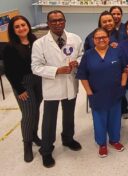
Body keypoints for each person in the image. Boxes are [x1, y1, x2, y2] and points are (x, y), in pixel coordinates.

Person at [31, 10, 83, 168]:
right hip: (52, 85)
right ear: (48, 23)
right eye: (53, 21)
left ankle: (68, 139)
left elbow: (81, 54)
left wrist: (77, 62)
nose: (57, 23)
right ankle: (46, 150)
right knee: (49, 119)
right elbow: (35, 67)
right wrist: (55, 71)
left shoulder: (75, 38)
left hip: (70, 83)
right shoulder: (39, 43)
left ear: (65, 21)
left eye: (60, 20)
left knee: (69, 114)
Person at [77, 28, 127, 158]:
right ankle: (102, 144)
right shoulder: (88, 55)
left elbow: (124, 70)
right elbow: (82, 76)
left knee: (115, 118)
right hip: (97, 94)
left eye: (104, 37)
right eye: (98, 37)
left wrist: (122, 85)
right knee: (99, 120)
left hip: (115, 92)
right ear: (93, 40)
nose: (101, 39)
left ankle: (114, 140)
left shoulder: (116, 51)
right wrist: (89, 93)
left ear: (108, 38)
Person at [4, 15, 42, 163]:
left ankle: (34, 135)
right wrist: (20, 90)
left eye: (23, 25)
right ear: (13, 30)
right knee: (28, 114)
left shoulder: (35, 41)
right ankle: (27, 145)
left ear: (28, 25)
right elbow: (9, 72)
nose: (21, 28)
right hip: (22, 83)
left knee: (36, 109)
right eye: (17, 26)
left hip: (37, 80)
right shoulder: (10, 48)